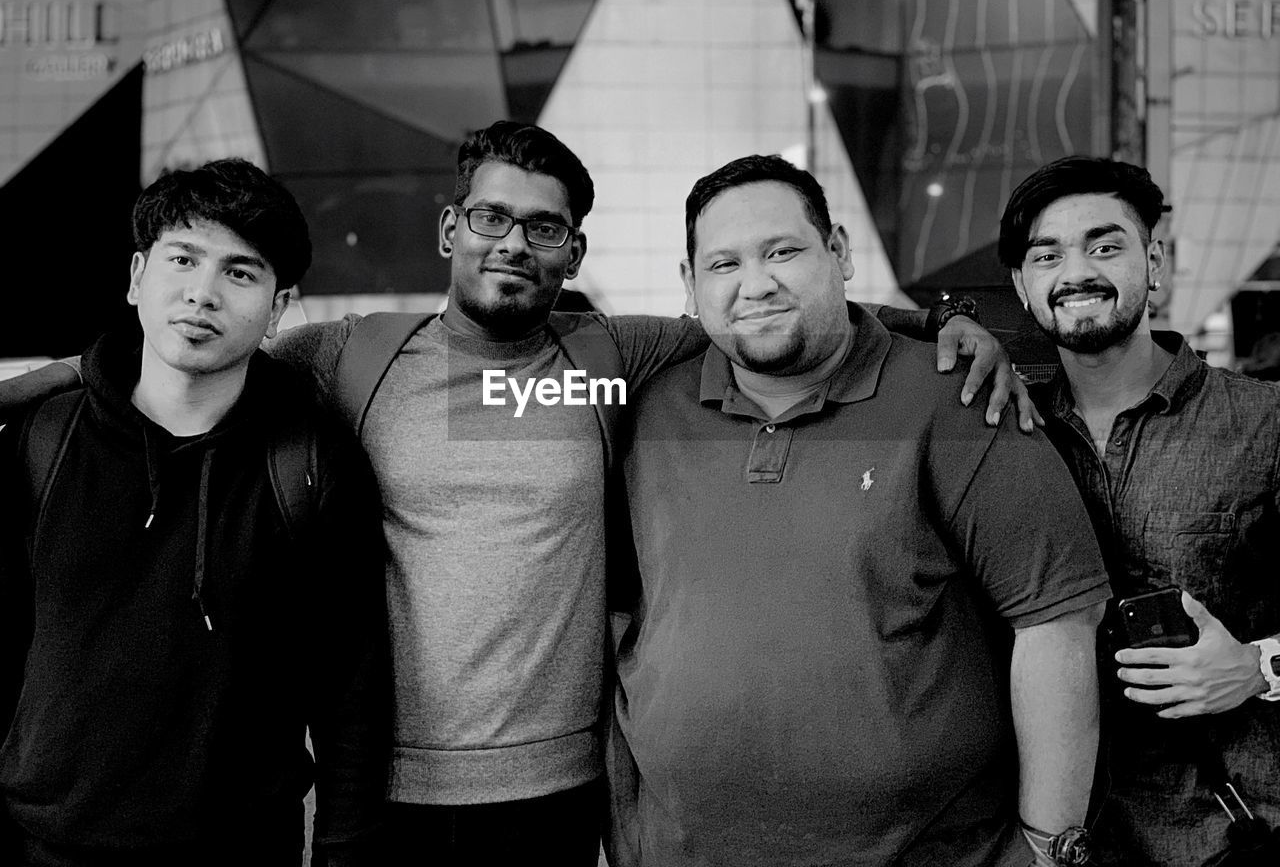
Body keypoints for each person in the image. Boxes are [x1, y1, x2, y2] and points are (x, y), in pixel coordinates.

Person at [0, 121, 1034, 864]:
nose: (514, 242)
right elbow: (187, 356)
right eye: (492, 217)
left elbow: (763, 311)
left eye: (544, 229)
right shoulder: (355, 356)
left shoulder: (605, 357)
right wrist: (46, 381)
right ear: (451, 230)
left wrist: (939, 322)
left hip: (555, 792)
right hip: (380, 792)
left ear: (572, 253)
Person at [609, 154, 1111, 867]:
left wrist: (1047, 848)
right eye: (724, 264)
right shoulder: (649, 407)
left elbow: (1058, 619)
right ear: (689, 286)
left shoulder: (961, 397)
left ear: (838, 252)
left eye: (783, 251)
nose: (756, 284)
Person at [0, 160, 391, 866]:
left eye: (241, 273)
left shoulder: (311, 463)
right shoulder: (43, 441)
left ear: (278, 308)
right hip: (47, 845)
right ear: (136, 276)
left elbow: (352, 693)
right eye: (183, 259)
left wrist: (343, 851)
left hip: (240, 849)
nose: (202, 294)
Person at [999, 156, 1280, 866]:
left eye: (1105, 245)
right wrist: (944, 321)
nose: (1077, 272)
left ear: (1153, 260)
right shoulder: (1002, 428)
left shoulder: (1264, 422)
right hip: (1053, 837)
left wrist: (1257, 666)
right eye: (1047, 255)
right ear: (1021, 285)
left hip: (1229, 832)